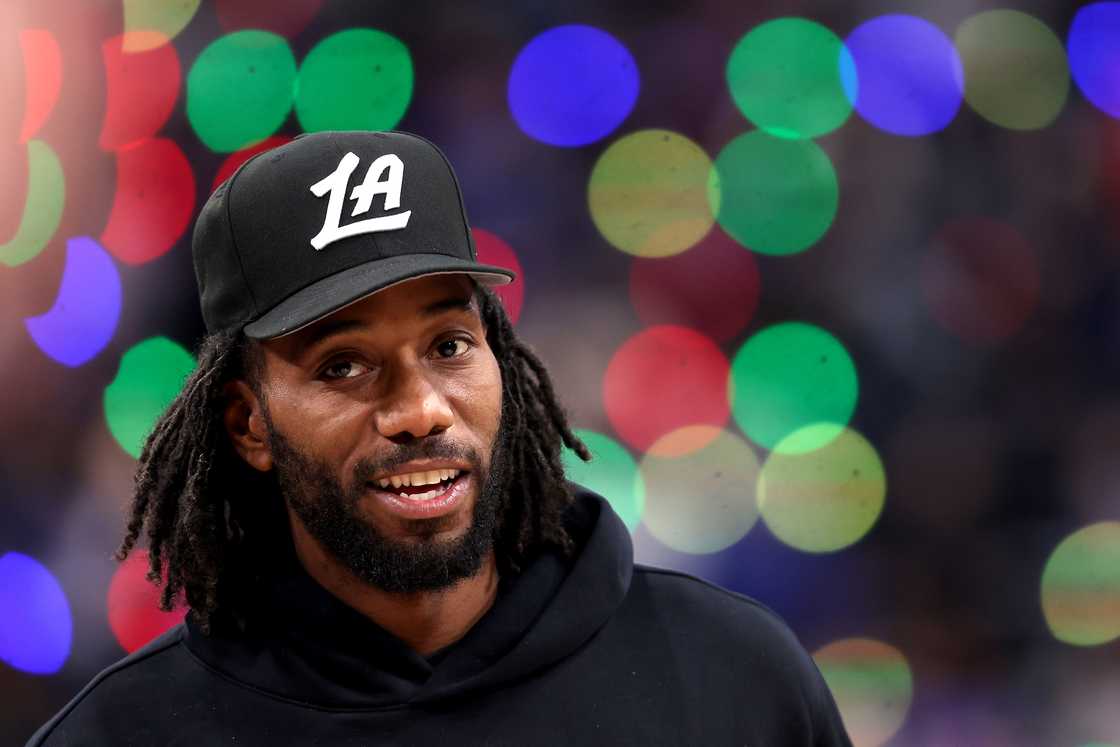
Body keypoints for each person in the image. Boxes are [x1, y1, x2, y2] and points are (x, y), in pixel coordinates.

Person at [29, 130, 853, 746]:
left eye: (449, 345)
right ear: (250, 424)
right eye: (343, 365)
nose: (420, 408)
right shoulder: (124, 735)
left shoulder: (737, 680)